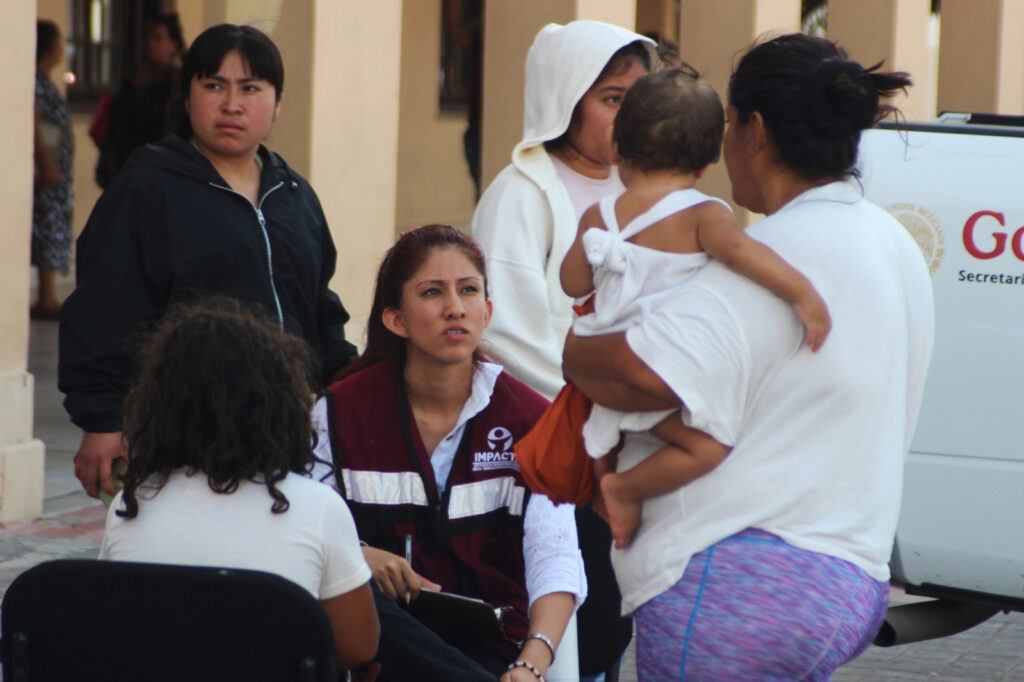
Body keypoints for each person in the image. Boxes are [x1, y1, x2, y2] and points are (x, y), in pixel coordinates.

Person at [563, 34, 932, 680]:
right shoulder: (892, 240)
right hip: (850, 575)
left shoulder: (777, 252)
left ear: (753, 131)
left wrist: (574, 348)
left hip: (737, 575)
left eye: (730, 123)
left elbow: (637, 374)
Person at [59, 24, 358, 501]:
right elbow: (102, 310)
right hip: (177, 440)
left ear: (277, 103)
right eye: (214, 85)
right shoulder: (148, 188)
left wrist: (357, 389)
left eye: (251, 88)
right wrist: (101, 421)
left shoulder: (295, 196)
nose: (232, 104)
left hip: (288, 439)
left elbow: (318, 310)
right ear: (188, 95)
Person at [556, 66, 830, 549]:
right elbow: (744, 256)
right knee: (708, 445)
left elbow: (571, 282)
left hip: (598, 350)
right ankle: (625, 488)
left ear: (618, 147)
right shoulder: (704, 215)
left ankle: (604, 467)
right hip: (658, 366)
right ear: (707, 164)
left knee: (620, 423)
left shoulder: (597, 216)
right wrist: (801, 293)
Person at [308, 225, 586, 682]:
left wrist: (532, 663)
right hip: (378, 649)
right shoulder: (338, 413)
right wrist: (357, 552)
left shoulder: (533, 420)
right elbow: (305, 531)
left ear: (488, 311)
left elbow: (554, 556)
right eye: (433, 292)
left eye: (469, 290)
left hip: (496, 650)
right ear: (396, 319)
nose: (455, 308)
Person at [471, 21, 657, 679]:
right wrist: (607, 413)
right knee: (581, 616)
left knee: (617, 622)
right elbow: (508, 333)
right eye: (611, 98)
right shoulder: (521, 195)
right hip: (561, 451)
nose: (631, 115)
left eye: (640, 97)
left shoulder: (645, 194)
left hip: (636, 443)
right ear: (565, 98)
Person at [99, 298, 379, 672]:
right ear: (282, 405)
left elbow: (114, 628)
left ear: (158, 406)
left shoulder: (129, 506)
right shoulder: (318, 508)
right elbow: (358, 647)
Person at [94, 12, 185, 188]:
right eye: (148, 37)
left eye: (158, 38)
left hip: (155, 169)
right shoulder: (131, 78)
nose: (150, 43)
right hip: (122, 166)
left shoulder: (176, 84)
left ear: (173, 44)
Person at [31, 20, 73, 319]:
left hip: (55, 171)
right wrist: (46, 164)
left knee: (52, 225)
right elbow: (34, 122)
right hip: (47, 171)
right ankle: (45, 296)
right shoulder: (35, 82)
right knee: (47, 226)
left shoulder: (44, 79)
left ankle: (47, 294)